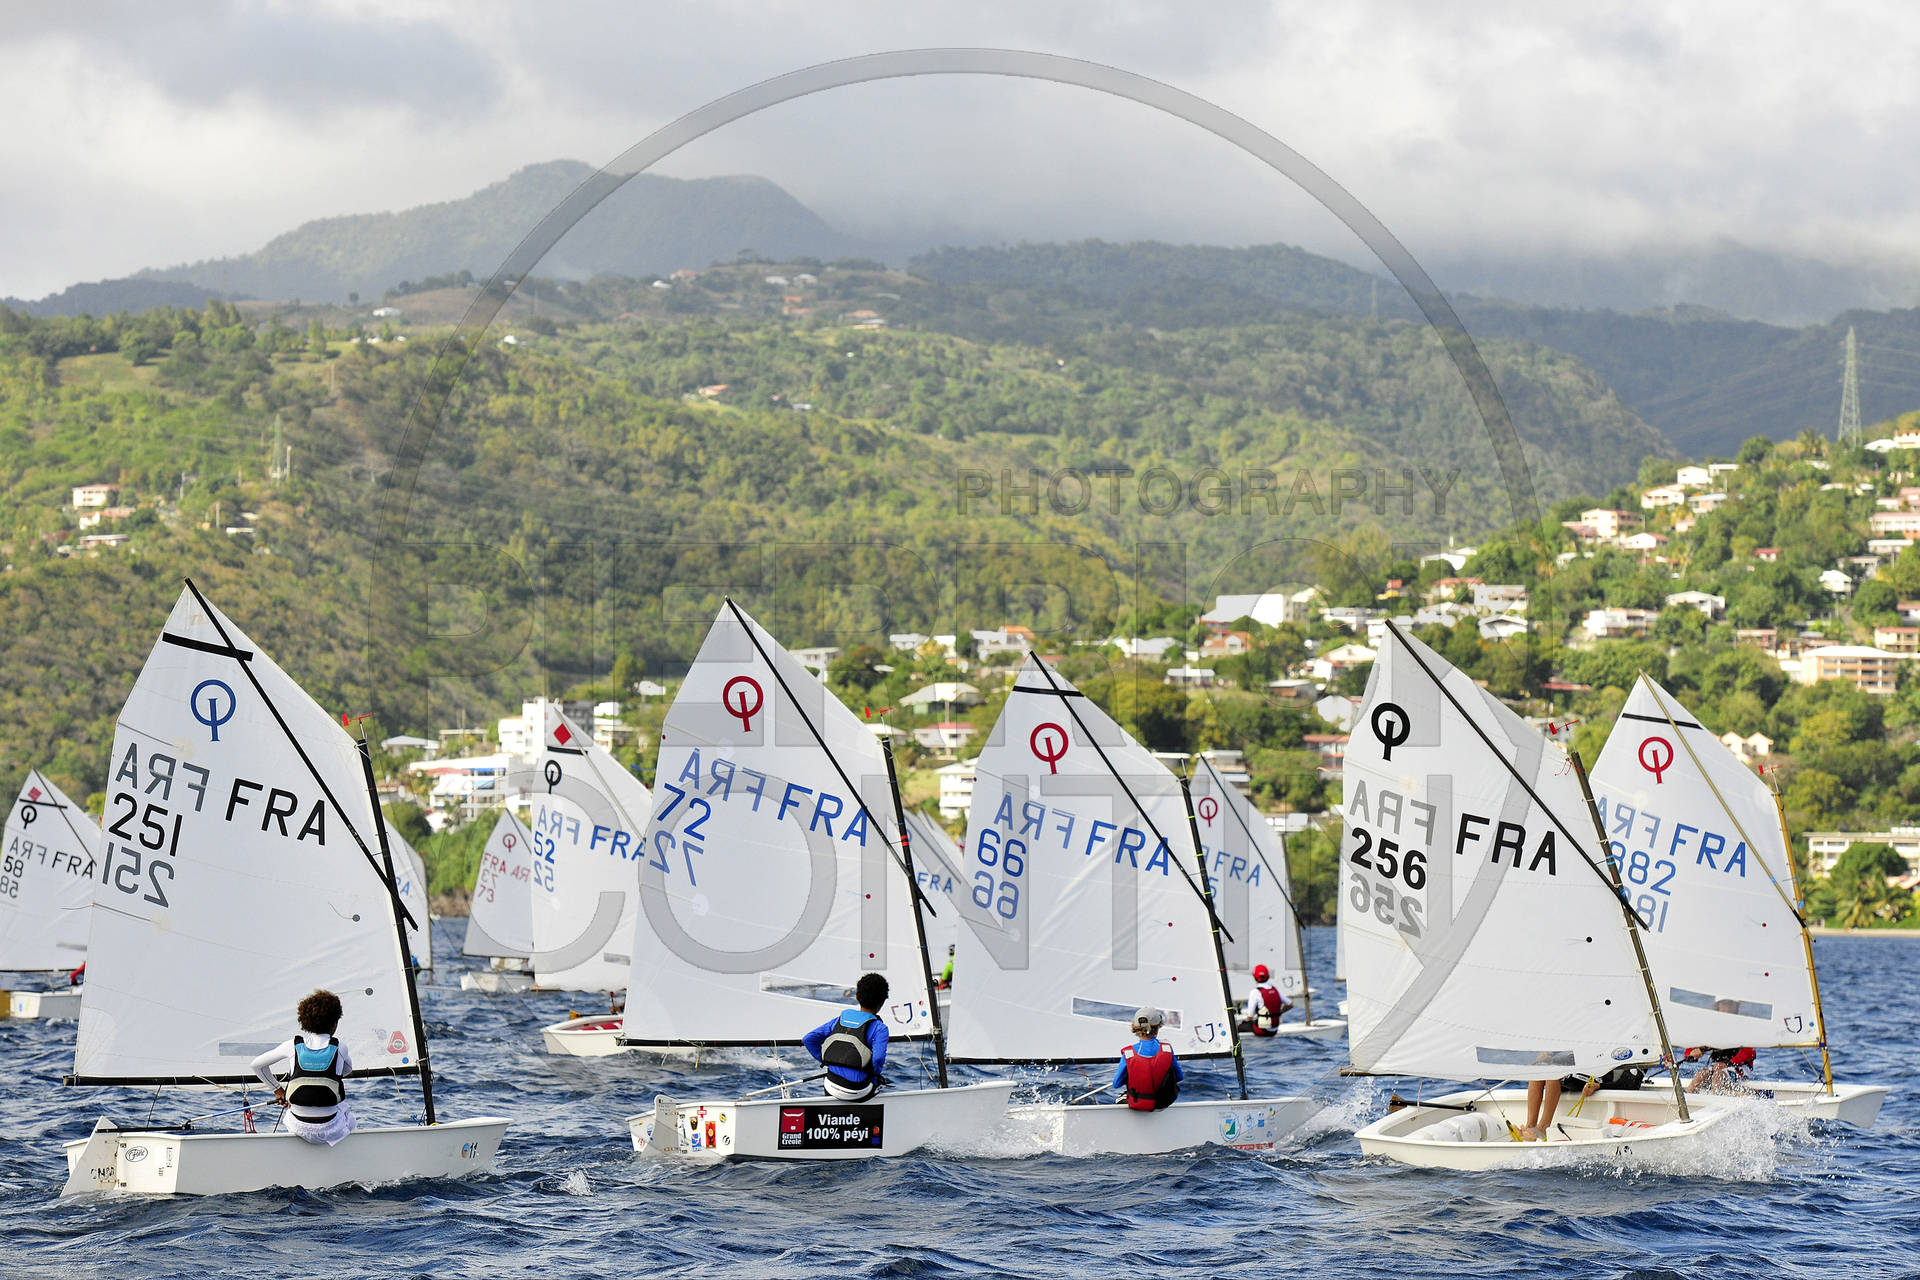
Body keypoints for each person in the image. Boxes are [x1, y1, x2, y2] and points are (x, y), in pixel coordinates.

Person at [250, 989, 357, 1146]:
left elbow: (256, 1065)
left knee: (294, 1111)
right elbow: (347, 1071)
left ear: (305, 1022)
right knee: (345, 1109)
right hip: (330, 1127)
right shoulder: (340, 1047)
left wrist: (278, 1090)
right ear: (335, 1024)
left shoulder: (292, 1045)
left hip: (298, 1127)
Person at [802, 972, 891, 1101]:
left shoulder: (839, 1020)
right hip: (859, 1090)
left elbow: (808, 1039)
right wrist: (873, 1073)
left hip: (831, 1085)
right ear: (883, 1001)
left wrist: (826, 1060)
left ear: (857, 996)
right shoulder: (880, 1028)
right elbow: (878, 1059)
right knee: (882, 1082)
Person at [1111, 1006, 1183, 1111]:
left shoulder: (1128, 1054)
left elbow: (1116, 1084)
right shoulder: (1167, 1049)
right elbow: (1180, 1077)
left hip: (1139, 1102)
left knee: (1120, 1098)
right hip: (1163, 1102)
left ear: (1135, 1028)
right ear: (1158, 1027)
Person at [1237, 963, 1292, 1036]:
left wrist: (1243, 1024)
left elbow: (1250, 1016)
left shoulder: (1255, 992)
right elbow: (1290, 1004)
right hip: (1275, 1029)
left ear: (1254, 977)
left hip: (1263, 1031)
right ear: (1268, 976)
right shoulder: (1274, 989)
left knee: (1237, 1026)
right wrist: (1279, 1012)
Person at [1688, 1046, 1757, 1094]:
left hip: (1738, 1068)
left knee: (1718, 1075)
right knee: (1700, 1075)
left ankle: (1716, 1102)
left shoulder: (1740, 1034)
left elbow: (1750, 1053)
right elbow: (1688, 1052)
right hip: (1716, 1068)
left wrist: (1728, 1063)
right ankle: (1688, 1100)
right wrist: (1694, 1053)